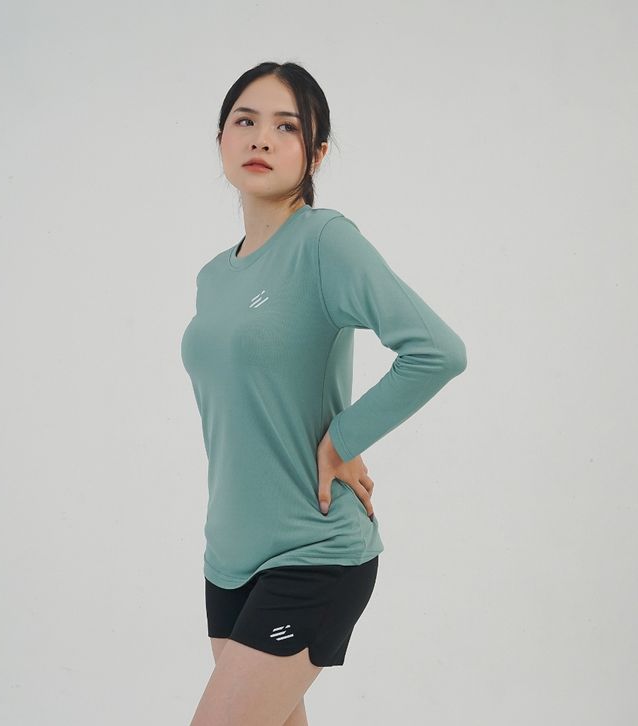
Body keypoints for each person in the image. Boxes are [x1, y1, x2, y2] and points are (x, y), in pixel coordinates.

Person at [180, 61, 467, 726]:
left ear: (316, 153)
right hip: (228, 556)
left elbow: (437, 351)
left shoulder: (324, 241)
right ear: (220, 138)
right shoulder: (212, 278)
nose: (261, 138)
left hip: (313, 550)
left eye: (287, 127)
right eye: (245, 121)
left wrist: (342, 439)